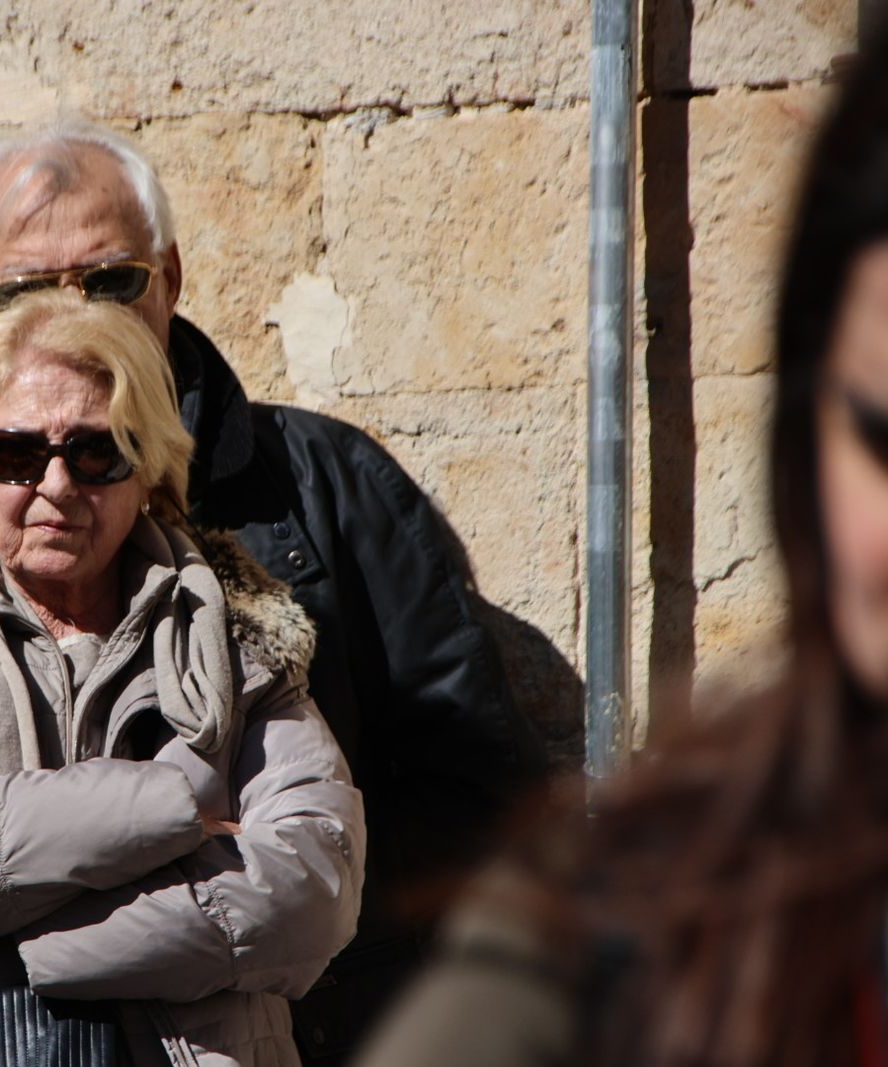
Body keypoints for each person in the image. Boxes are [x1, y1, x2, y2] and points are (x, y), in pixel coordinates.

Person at [0, 121, 548, 1060]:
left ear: (171, 276)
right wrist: (178, 843)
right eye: (29, 290)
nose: (76, 315)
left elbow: (472, 791)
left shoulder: (327, 485)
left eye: (110, 281)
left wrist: (294, 920)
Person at [354, 27, 888, 1067]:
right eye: (883, 437)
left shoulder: (336, 490)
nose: (56, 482)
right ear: (803, 447)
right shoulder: (621, 932)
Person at [0, 290, 364, 1067]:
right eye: (14, 454)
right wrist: (171, 814)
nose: (57, 485)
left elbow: (314, 886)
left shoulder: (242, 650)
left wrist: (13, 940)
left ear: (148, 469)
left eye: (97, 451)